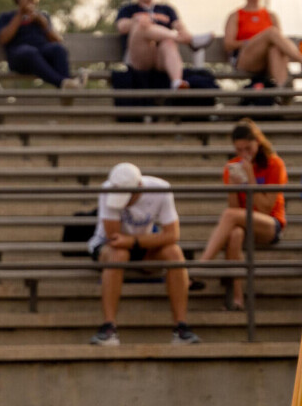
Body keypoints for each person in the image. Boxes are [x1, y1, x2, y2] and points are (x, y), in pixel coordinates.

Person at [88, 162, 201, 346]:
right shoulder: (108, 189)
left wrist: (135, 241)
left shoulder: (161, 189)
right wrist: (141, 241)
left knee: (174, 252)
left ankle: (181, 327)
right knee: (119, 254)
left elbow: (173, 235)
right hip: (109, 246)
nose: (123, 202)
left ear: (139, 187)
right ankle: (109, 326)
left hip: (140, 244)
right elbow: (114, 237)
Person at [198, 119, 288, 310]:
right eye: (239, 150)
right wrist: (232, 187)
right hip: (243, 223)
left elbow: (265, 208)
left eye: (248, 148)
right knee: (235, 234)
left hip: (271, 224)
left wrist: (251, 181)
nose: (244, 154)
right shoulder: (232, 166)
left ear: (258, 142)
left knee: (231, 217)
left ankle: (201, 265)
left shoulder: (274, 164)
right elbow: (234, 207)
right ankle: (237, 298)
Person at [116, 0, 213, 91]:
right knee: (142, 25)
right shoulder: (127, 9)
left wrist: (183, 31)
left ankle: (177, 81)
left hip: (161, 59)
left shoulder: (167, 9)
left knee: (168, 42)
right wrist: (136, 21)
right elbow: (121, 27)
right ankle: (191, 41)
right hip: (139, 58)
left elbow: (179, 26)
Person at [0, 0, 82, 89]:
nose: (31, 0)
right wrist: (20, 15)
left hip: (41, 56)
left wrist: (43, 23)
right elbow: (3, 39)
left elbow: (57, 41)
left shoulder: (42, 17)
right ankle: (63, 83)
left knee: (58, 49)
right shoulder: (6, 17)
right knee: (30, 52)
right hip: (19, 57)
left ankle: (67, 89)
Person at [223, 0, 302, 90]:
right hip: (245, 59)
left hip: (268, 60)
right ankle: (300, 59)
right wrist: (251, 42)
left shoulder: (271, 16)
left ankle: (283, 89)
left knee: (275, 48)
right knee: (271, 32)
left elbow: (279, 43)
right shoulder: (235, 16)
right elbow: (228, 45)